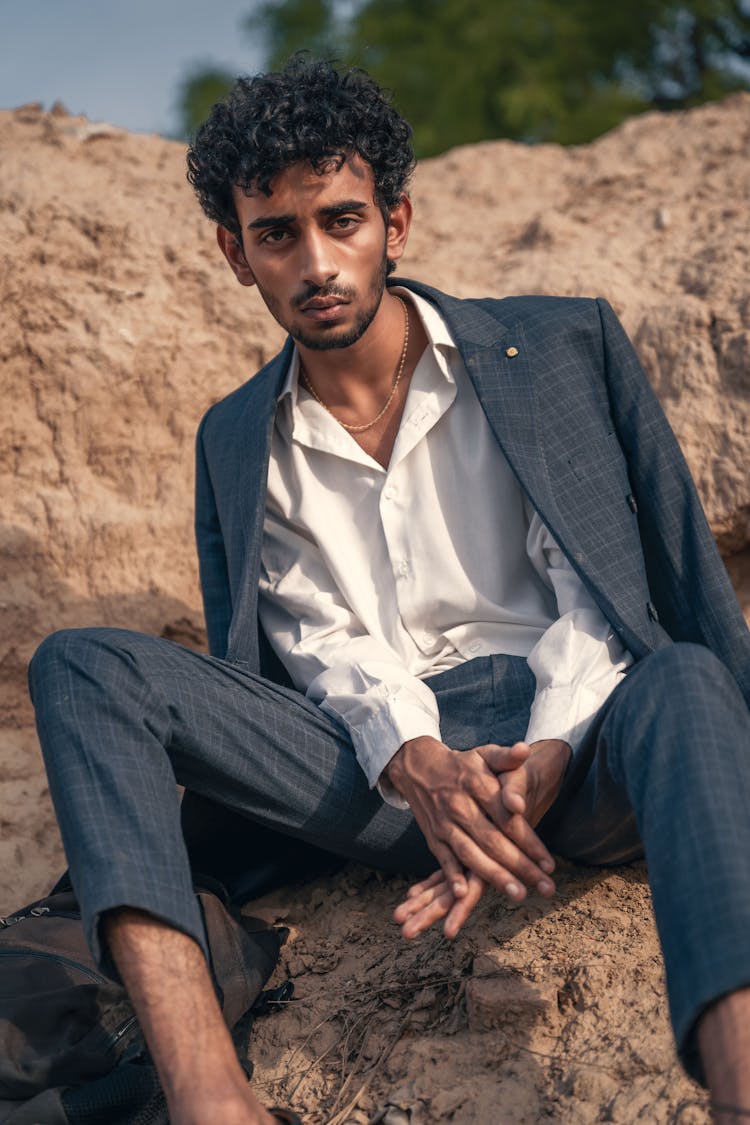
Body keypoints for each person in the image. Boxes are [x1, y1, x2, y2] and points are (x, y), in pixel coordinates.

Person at [28, 54, 750, 1125]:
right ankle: (210, 1099)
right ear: (237, 253)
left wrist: (546, 752)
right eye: (278, 234)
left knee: (688, 679)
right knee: (80, 662)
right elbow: (320, 645)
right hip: (373, 776)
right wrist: (415, 758)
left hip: (584, 748)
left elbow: (603, 591)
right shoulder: (236, 435)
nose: (316, 261)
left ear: (395, 222)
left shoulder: (558, 344)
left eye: (342, 219)